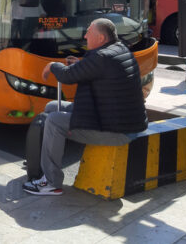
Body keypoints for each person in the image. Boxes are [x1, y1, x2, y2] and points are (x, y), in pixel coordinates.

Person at [22, 18, 147, 196]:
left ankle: (51, 182)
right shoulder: (119, 50)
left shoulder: (101, 57)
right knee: (51, 106)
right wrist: (80, 65)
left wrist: (52, 65)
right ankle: (41, 162)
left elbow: (66, 77)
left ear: (102, 38)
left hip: (116, 130)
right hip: (115, 119)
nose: (85, 35)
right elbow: (96, 69)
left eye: (89, 31)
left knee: (54, 121)